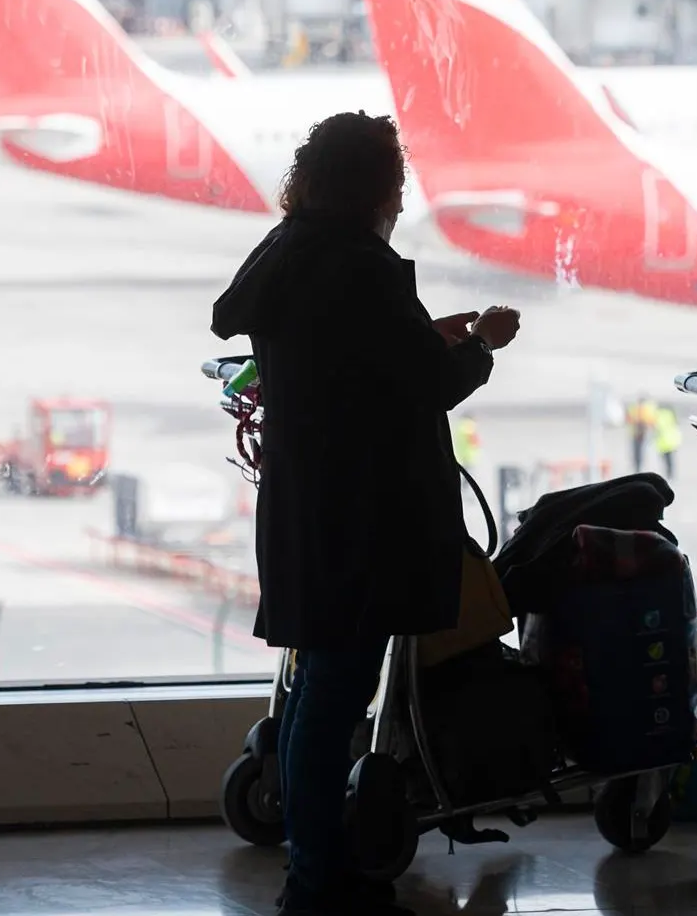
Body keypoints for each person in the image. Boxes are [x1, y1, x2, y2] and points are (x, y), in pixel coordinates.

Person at [210, 111, 522, 916]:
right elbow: (426, 385)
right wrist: (482, 343)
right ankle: (317, 882)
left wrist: (426, 336)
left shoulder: (287, 250)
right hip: (361, 516)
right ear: (381, 185)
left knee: (320, 685)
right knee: (335, 697)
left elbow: (356, 357)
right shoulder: (363, 268)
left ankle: (316, 868)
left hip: (308, 509)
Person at [652, 403, 682, 480]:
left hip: (664, 443)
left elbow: (656, 427)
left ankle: (669, 475)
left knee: (666, 461)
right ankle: (670, 475)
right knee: (670, 461)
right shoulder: (670, 414)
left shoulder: (659, 415)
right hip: (670, 442)